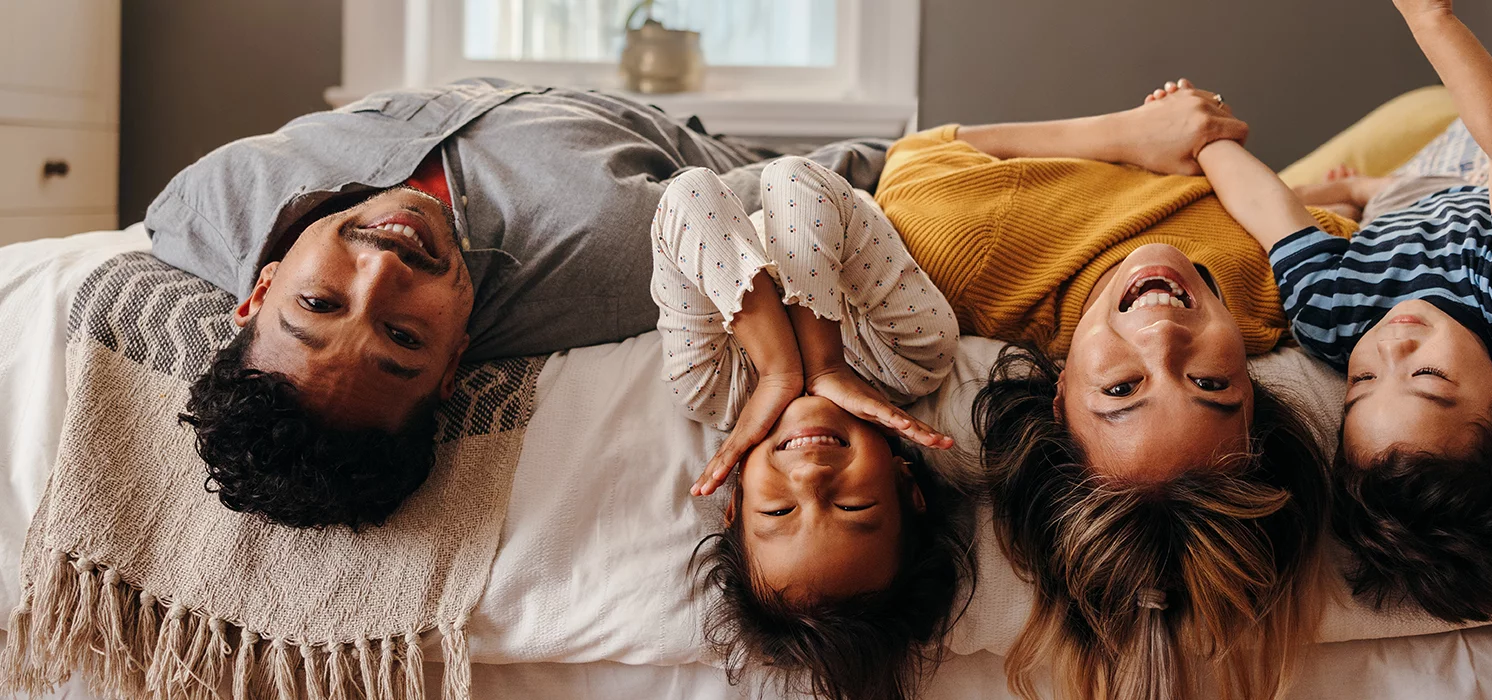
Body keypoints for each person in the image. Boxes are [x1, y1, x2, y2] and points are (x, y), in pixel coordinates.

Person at [153, 79, 888, 528]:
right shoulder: (615, 254)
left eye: (316, 302)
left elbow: (168, 217)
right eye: (404, 337)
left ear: (259, 289)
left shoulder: (208, 202)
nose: (380, 270)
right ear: (454, 368)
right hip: (660, 133)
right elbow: (844, 178)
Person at [875, 70, 1343, 700]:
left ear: (1059, 390)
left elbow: (914, 155)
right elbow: (1338, 225)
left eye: (1122, 389)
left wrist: (1130, 134)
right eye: (1209, 381)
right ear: (1253, 390)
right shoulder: (1284, 288)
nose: (1162, 336)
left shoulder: (978, 258)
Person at [1175, 0, 1492, 624]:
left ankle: (1359, 192)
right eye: (1428, 378)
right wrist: (1433, 20)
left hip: (1382, 220)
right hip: (1468, 192)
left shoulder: (1331, 320)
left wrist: (1203, 137)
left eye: (1362, 383)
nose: (1390, 350)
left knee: (1315, 202)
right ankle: (1363, 190)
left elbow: (1269, 212)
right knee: (1446, 179)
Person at [649, 156, 971, 700]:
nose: (810, 479)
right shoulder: (912, 355)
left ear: (734, 503)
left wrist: (775, 371)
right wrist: (822, 363)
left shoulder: (710, 386)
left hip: (727, 209)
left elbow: (690, 194)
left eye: (778, 512)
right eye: (853, 507)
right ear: (907, 486)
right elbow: (794, 178)